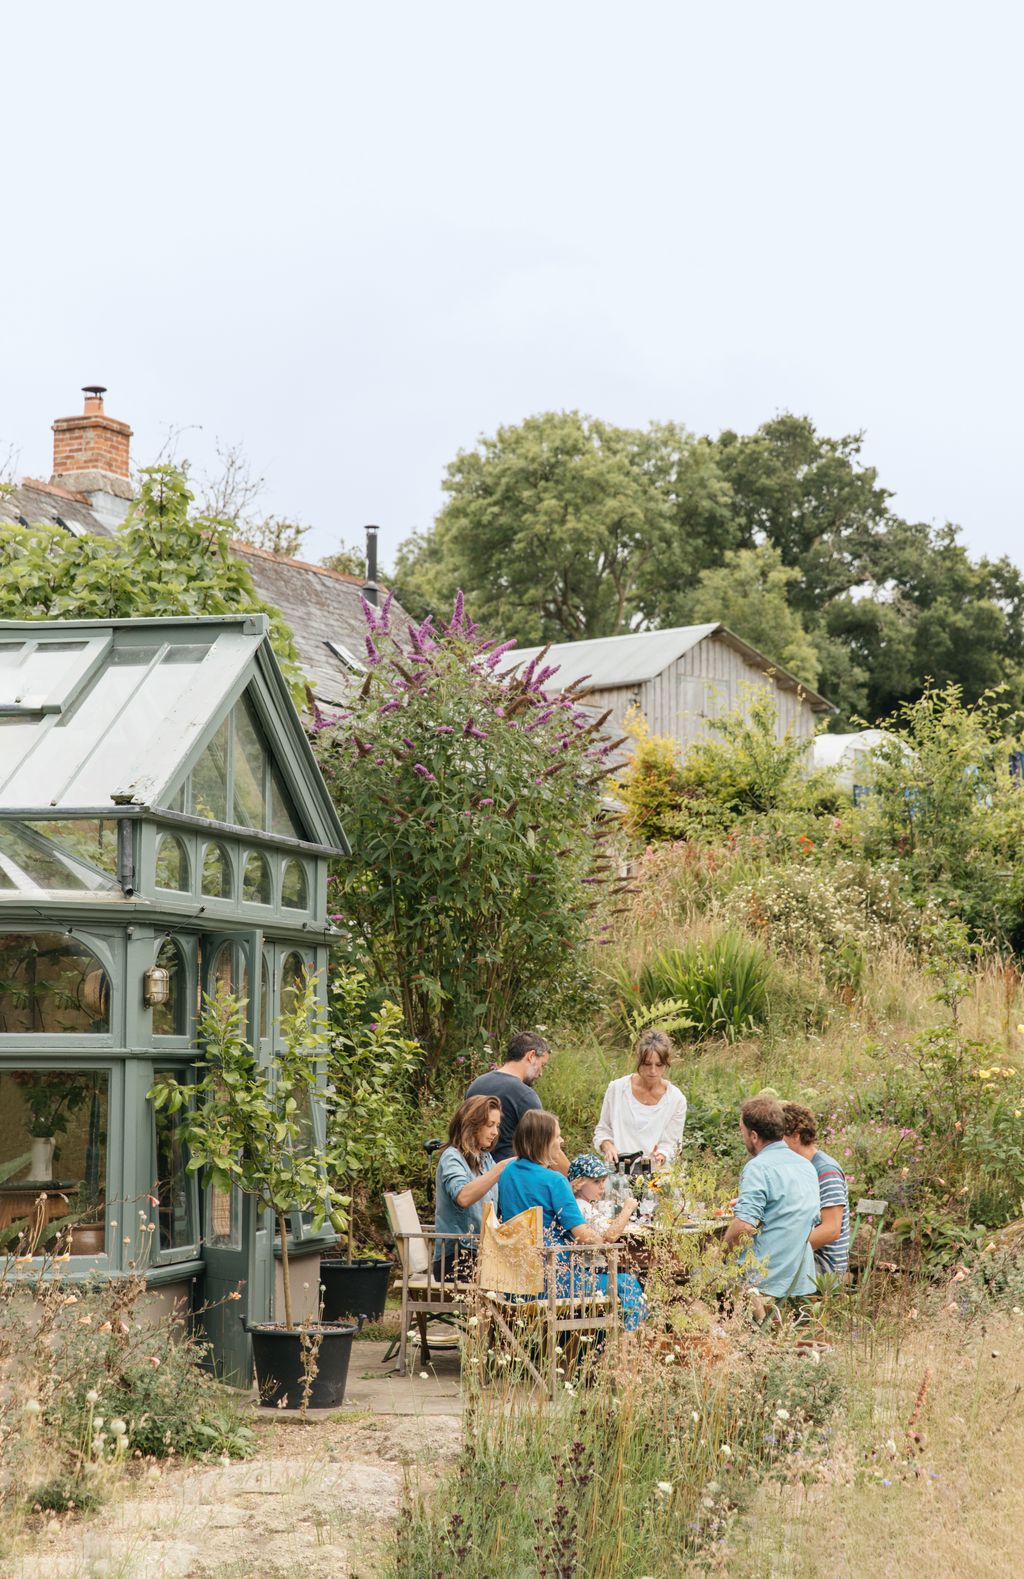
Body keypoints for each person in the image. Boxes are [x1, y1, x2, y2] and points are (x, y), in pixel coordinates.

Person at [498, 1112, 646, 1329]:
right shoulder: (554, 1180)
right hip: (554, 1282)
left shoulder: (508, 1173)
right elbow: (585, 1236)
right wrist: (604, 1241)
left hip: (515, 1282)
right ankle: (629, 1343)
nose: (562, 1141)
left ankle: (588, 1347)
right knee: (628, 1284)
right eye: (557, 1136)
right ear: (543, 1141)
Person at [723, 1095, 820, 1302]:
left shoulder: (758, 1167)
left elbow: (744, 1226)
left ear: (754, 1136)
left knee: (694, 1274)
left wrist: (722, 1253)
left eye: (742, 1131)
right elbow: (792, 1213)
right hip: (799, 1276)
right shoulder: (806, 1166)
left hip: (765, 1278)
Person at [432, 1095, 511, 1282]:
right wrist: (499, 1169)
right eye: (490, 1125)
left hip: (482, 1255)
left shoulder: (485, 1159)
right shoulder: (452, 1157)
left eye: (497, 1126)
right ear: (472, 1124)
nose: (495, 1132)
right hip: (455, 1259)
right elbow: (463, 1196)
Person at [467, 1031, 568, 1173]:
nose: (541, 1073)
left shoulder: (477, 1084)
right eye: (542, 1065)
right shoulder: (524, 1095)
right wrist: (574, 1178)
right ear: (531, 1056)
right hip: (510, 1175)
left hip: (474, 1171)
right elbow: (548, 1145)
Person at [593, 1029, 687, 1167]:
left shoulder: (676, 1099)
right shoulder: (617, 1089)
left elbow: (672, 1144)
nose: (653, 1071)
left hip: (655, 1175)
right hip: (618, 1170)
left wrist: (661, 1155)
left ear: (666, 1064)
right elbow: (603, 1129)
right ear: (639, 1061)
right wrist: (607, 1146)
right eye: (647, 1064)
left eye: (659, 1065)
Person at [781, 1102, 850, 1277]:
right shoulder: (799, 1168)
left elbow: (831, 1229)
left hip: (823, 1267)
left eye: (779, 1139)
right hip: (805, 1257)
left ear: (796, 1136)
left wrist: (784, 1250)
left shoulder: (826, 1170)